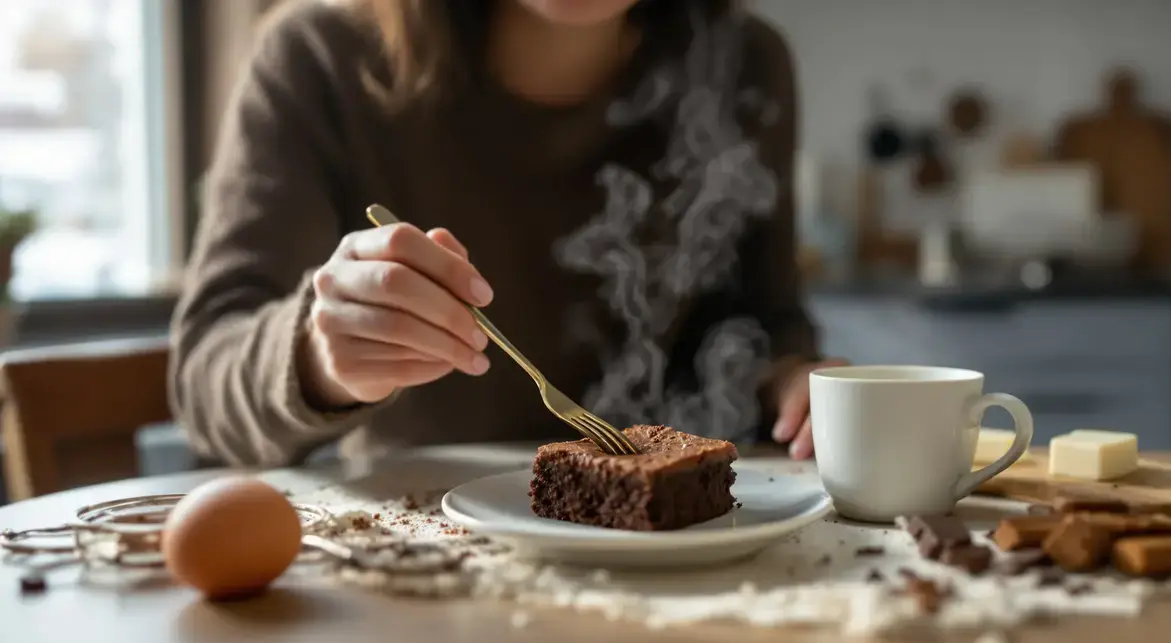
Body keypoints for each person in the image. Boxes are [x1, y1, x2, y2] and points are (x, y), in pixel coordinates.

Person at [169, 0, 844, 468]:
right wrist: (320, 356)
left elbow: (763, 323)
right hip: (421, 552)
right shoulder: (320, 57)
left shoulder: (744, 63)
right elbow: (204, 386)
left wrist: (795, 383)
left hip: (687, 554)